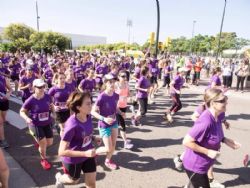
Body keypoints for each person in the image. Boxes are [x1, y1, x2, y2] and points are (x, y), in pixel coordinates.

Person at [182, 88, 241, 188]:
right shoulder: (206, 121)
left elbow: (214, 134)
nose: (226, 102)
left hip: (204, 164)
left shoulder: (218, 116)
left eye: (225, 98)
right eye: (222, 100)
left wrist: (226, 140)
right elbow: (186, 141)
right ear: (213, 103)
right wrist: (208, 152)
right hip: (195, 167)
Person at [55, 91, 101, 188]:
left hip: (88, 154)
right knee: (74, 180)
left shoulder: (88, 116)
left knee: (91, 183)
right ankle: (59, 179)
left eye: (91, 102)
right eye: (88, 104)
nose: (91, 105)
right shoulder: (72, 125)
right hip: (74, 159)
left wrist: (93, 137)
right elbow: (61, 151)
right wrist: (84, 153)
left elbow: (84, 133)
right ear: (78, 107)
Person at [20, 79, 54, 170]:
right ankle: (44, 159)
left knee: (49, 142)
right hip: (35, 124)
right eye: (39, 87)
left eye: (43, 86)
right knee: (43, 144)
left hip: (47, 122)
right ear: (34, 88)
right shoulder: (30, 100)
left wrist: (54, 113)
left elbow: (51, 106)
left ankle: (40, 144)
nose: (42, 88)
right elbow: (22, 111)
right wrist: (27, 118)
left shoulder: (48, 96)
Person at [91, 74, 121, 170]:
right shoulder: (101, 97)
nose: (112, 84)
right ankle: (94, 153)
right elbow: (92, 112)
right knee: (108, 148)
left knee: (113, 145)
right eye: (110, 82)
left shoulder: (116, 95)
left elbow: (115, 107)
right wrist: (104, 119)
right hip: (104, 125)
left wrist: (120, 112)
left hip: (114, 123)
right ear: (105, 83)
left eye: (113, 82)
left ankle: (107, 160)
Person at [115, 71, 134, 149]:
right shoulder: (116, 85)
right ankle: (125, 142)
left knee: (117, 123)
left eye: (125, 76)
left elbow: (128, 94)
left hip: (124, 105)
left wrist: (131, 95)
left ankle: (116, 136)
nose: (124, 78)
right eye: (122, 76)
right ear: (118, 77)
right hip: (117, 107)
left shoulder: (127, 84)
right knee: (123, 124)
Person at [49, 73, 71, 137]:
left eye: (63, 78)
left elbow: (71, 98)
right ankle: (63, 141)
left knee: (68, 126)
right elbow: (48, 99)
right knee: (63, 128)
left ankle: (57, 126)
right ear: (57, 79)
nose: (62, 80)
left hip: (67, 110)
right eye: (60, 78)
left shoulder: (68, 87)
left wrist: (69, 104)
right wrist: (54, 106)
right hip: (58, 111)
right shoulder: (53, 89)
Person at [0, 75, 12, 148]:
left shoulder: (3, 78)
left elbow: (10, 89)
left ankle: (4, 119)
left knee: (3, 116)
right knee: (0, 122)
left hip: (4, 100)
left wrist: (8, 94)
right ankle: (3, 140)